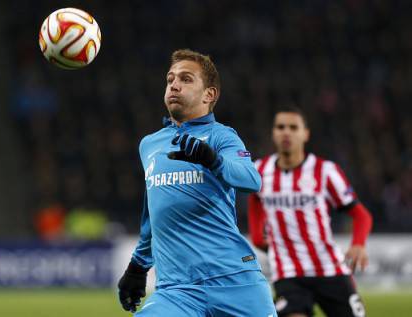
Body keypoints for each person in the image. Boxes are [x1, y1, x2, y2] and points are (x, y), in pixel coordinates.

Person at [117, 49, 277, 316]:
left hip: (235, 281)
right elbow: (153, 214)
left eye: (186, 79)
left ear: (209, 94)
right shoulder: (149, 145)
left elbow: (252, 180)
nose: (174, 85)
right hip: (176, 291)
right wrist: (138, 266)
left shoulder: (222, 137)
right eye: (170, 79)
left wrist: (212, 160)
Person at [247, 106, 373, 317]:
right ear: (273, 133)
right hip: (288, 274)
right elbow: (257, 234)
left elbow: (361, 215)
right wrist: (281, 250)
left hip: (330, 269)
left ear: (305, 134)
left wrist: (359, 243)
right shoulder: (259, 172)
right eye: (280, 127)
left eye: (293, 127)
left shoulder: (325, 171)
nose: (286, 132)